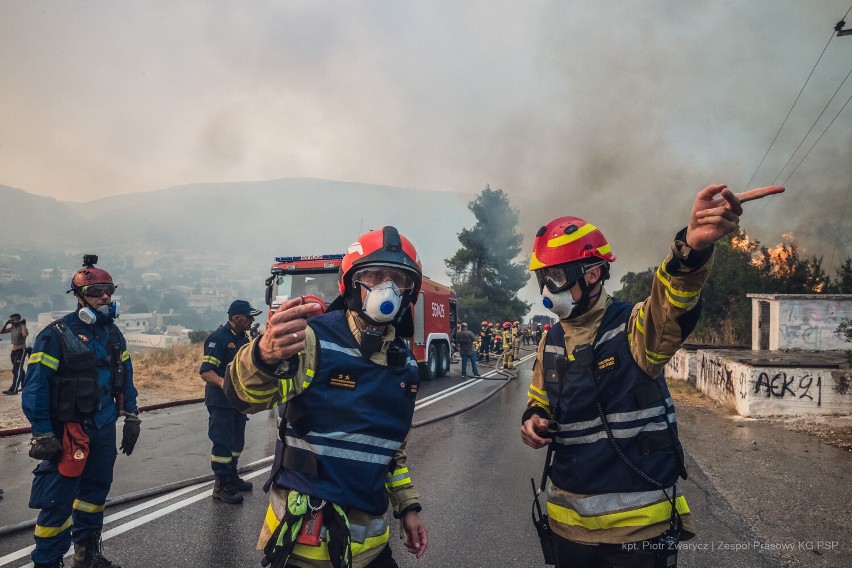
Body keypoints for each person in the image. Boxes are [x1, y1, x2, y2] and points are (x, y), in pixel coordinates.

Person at [520, 183, 784, 567]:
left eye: (557, 276)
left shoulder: (633, 327)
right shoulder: (552, 339)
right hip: (568, 532)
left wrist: (691, 250)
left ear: (593, 275)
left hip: (638, 536)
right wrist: (532, 420)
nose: (547, 289)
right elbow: (539, 399)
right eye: (543, 277)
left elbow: (672, 303)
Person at [225, 226, 428, 568]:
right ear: (351, 283)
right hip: (304, 545)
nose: (386, 287)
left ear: (410, 291)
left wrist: (407, 506)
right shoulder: (313, 340)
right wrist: (261, 355)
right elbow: (245, 397)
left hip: (373, 551)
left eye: (398, 279)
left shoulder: (404, 363)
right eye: (375, 275)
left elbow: (392, 451)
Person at [22, 254, 140, 568]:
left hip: (102, 426)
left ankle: (86, 552)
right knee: (57, 501)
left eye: (108, 291)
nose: (104, 297)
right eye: (96, 291)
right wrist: (43, 432)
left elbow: (125, 378)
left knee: (95, 493)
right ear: (79, 297)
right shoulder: (55, 335)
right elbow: (35, 388)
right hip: (68, 431)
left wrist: (132, 416)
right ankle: (47, 561)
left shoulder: (113, 334)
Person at [199, 299, 262, 504]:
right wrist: (225, 383)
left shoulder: (243, 340)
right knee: (223, 443)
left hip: (238, 401)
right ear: (236, 317)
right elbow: (206, 372)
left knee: (236, 443)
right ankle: (221, 486)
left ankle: (232, 477)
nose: (251, 320)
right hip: (221, 402)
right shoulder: (218, 339)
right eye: (248, 316)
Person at [1, 313, 29, 394]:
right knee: (19, 369)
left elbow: (25, 334)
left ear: (17, 319)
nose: (11, 321)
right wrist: (6, 324)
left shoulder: (21, 327)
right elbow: (1, 332)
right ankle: (25, 386)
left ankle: (14, 389)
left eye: (13, 320)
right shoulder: (12, 327)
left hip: (21, 350)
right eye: (10, 320)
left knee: (16, 370)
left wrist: (23, 324)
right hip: (14, 350)